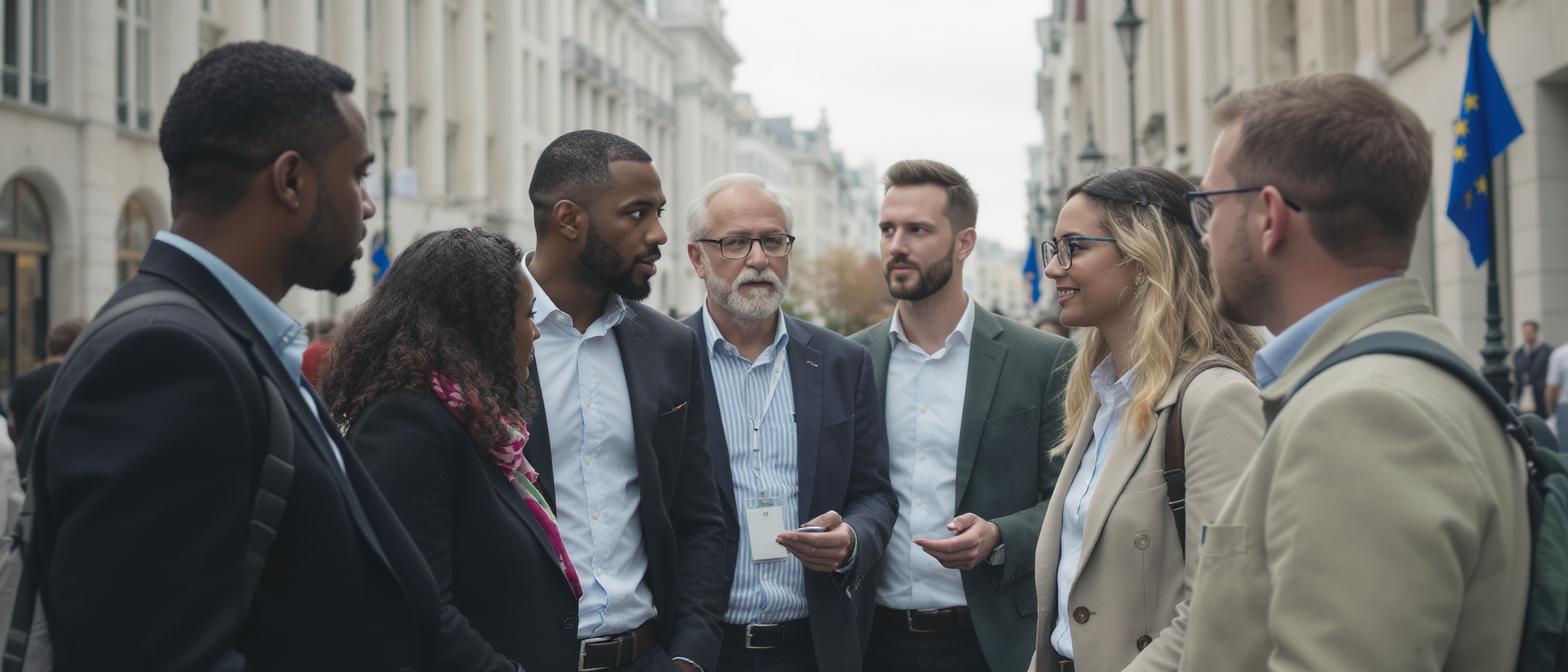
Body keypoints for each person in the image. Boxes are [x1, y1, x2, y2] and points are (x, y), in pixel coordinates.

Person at [25, 42, 521, 671]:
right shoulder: (168, 357)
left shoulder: (222, 338)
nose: (368, 204)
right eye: (358, 174)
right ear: (290, 181)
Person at [1178, 72, 1530, 672]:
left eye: (1210, 208)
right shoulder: (1391, 377)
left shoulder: (1363, 410)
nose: (1204, 236)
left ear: (1269, 216)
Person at [1028, 167, 1264, 672]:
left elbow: (1221, 608)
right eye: (1054, 248)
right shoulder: (1102, 398)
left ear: (1142, 256)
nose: (1052, 268)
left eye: (1073, 247)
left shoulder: (1216, 400)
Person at [848, 159, 1075, 672]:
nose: (896, 245)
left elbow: (1069, 499)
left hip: (992, 643)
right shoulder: (850, 359)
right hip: (872, 642)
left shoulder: (1042, 359)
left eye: (917, 230)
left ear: (964, 242)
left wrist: (999, 535)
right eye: (887, 229)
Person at [323, 228, 584, 670]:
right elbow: (415, 606)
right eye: (527, 316)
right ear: (483, 325)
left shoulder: (478, 419)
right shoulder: (410, 422)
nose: (536, 333)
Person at [522, 129, 728, 672]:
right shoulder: (478, 335)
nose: (659, 233)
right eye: (637, 213)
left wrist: (690, 656)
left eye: (658, 212)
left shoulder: (670, 344)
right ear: (569, 219)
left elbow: (699, 519)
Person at [678, 174, 898, 672]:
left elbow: (876, 494)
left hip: (814, 649)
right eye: (736, 242)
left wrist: (852, 539)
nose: (759, 259)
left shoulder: (842, 362)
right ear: (697, 258)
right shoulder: (664, 360)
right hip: (700, 651)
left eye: (773, 241)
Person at [9, 318, 87, 449]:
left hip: (30, 456)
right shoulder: (83, 378)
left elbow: (15, 429)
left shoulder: (23, 382)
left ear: (48, 347)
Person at [1511, 320, 1551, 415]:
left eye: (1530, 332)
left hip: (1541, 396)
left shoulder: (1547, 352)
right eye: (1525, 332)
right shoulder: (1519, 353)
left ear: (1536, 332)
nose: (1527, 335)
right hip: (1524, 395)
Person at [301, 315, 338, 389]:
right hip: (328, 392)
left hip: (309, 392)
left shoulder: (307, 349)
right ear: (332, 331)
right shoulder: (335, 350)